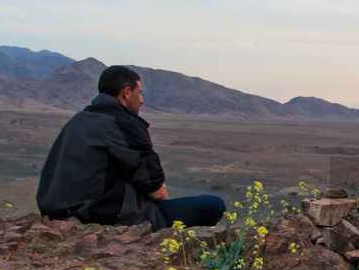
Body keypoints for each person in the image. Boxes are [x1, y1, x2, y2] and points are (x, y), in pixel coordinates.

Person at [36, 65, 226, 230]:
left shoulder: (77, 120)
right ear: (126, 93)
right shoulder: (123, 123)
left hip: (58, 212)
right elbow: (156, 190)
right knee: (213, 205)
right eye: (140, 92)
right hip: (103, 215)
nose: (142, 100)